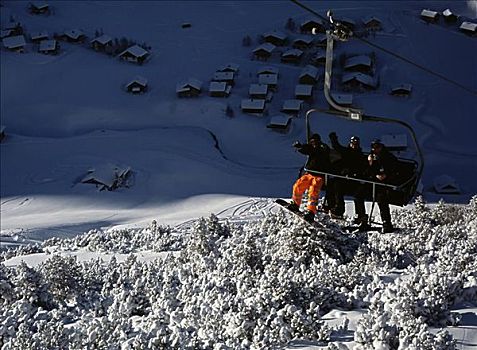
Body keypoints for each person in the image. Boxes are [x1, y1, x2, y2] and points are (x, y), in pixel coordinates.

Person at [287, 133, 331, 223]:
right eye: (312, 141)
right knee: (298, 185)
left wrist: (310, 147)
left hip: (319, 175)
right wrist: (300, 147)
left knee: (313, 191)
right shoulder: (311, 148)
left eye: (315, 141)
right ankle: (296, 203)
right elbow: (306, 149)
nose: (313, 143)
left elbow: (322, 151)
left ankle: (311, 211)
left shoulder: (323, 148)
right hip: (309, 174)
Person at [328, 132, 368, 224]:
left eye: (356, 144)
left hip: (356, 180)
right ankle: (338, 210)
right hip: (345, 179)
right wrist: (333, 138)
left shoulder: (360, 156)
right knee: (336, 186)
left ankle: (361, 216)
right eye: (353, 144)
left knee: (359, 194)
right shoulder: (346, 152)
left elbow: (363, 168)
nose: (354, 146)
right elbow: (337, 147)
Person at [366, 139, 398, 233]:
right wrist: (370, 164)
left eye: (377, 147)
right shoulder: (371, 157)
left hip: (385, 183)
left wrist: (386, 175)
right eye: (373, 147)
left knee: (382, 200)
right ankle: (362, 218)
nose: (375, 149)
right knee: (359, 194)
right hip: (373, 183)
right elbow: (367, 171)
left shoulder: (388, 157)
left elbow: (394, 168)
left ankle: (386, 222)